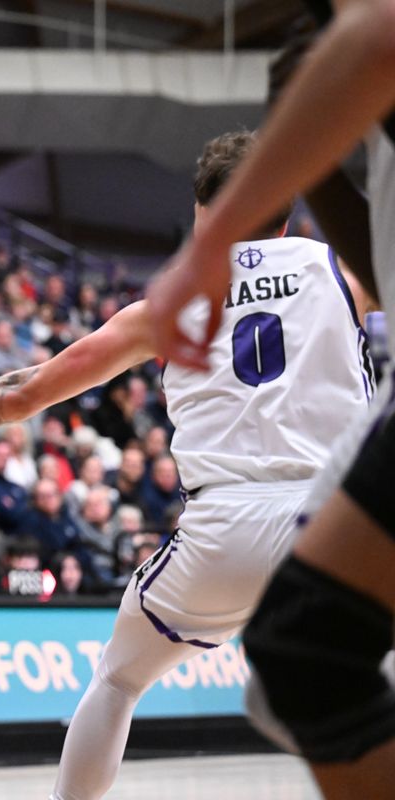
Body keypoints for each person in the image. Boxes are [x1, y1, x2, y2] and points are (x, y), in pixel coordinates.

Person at [0, 130, 374, 799]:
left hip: (225, 529)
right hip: (337, 522)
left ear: (205, 214)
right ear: (288, 214)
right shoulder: (342, 271)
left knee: (118, 680)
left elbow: (21, 393)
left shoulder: (168, 302)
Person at [142, 4, 395, 797]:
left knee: (297, 656)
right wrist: (310, 157)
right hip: (302, 483)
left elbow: (373, 33)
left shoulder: (364, 40)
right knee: (296, 657)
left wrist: (207, 252)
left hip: (231, 508)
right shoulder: (325, 267)